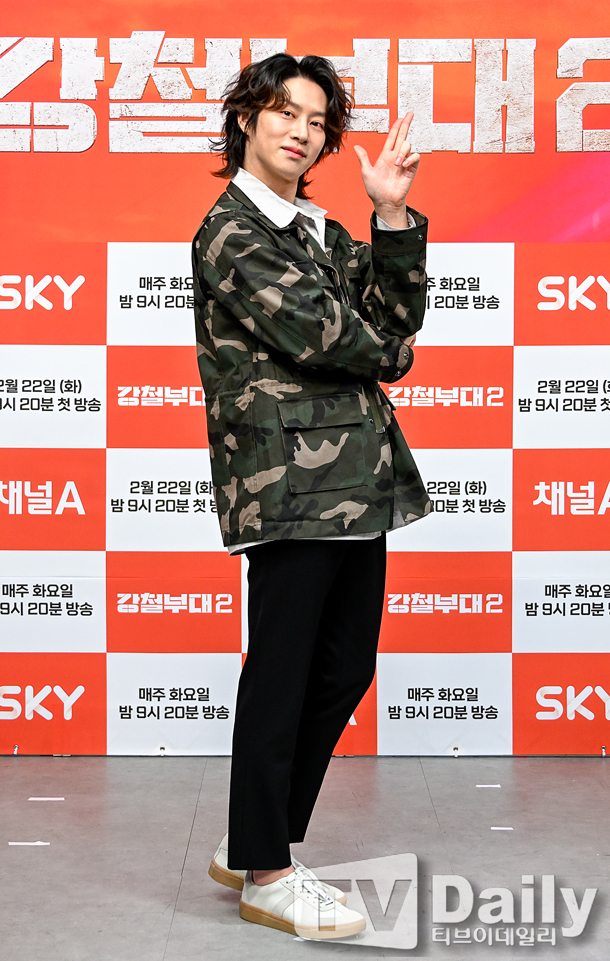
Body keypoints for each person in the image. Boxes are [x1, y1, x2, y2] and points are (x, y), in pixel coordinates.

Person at [191, 52, 430, 940]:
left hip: (355, 482)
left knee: (345, 667)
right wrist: (391, 354)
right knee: (283, 674)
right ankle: (268, 874)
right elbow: (332, 336)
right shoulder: (232, 232)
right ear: (246, 119)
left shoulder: (316, 228)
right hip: (287, 482)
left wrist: (391, 215)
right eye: (285, 112)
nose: (302, 130)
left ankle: (253, 838)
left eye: (318, 120)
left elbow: (396, 314)